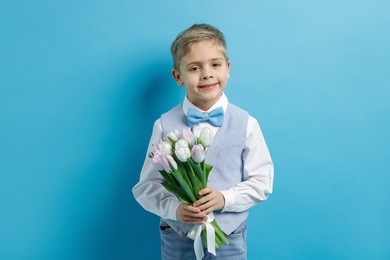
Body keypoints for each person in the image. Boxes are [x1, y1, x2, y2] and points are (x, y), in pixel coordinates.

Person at [132, 23, 274, 260]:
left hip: (229, 235)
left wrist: (225, 198)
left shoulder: (247, 123)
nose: (207, 73)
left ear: (228, 69)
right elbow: (146, 187)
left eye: (215, 64)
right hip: (178, 235)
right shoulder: (164, 126)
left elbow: (262, 181)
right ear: (178, 76)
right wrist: (175, 210)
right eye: (195, 68)